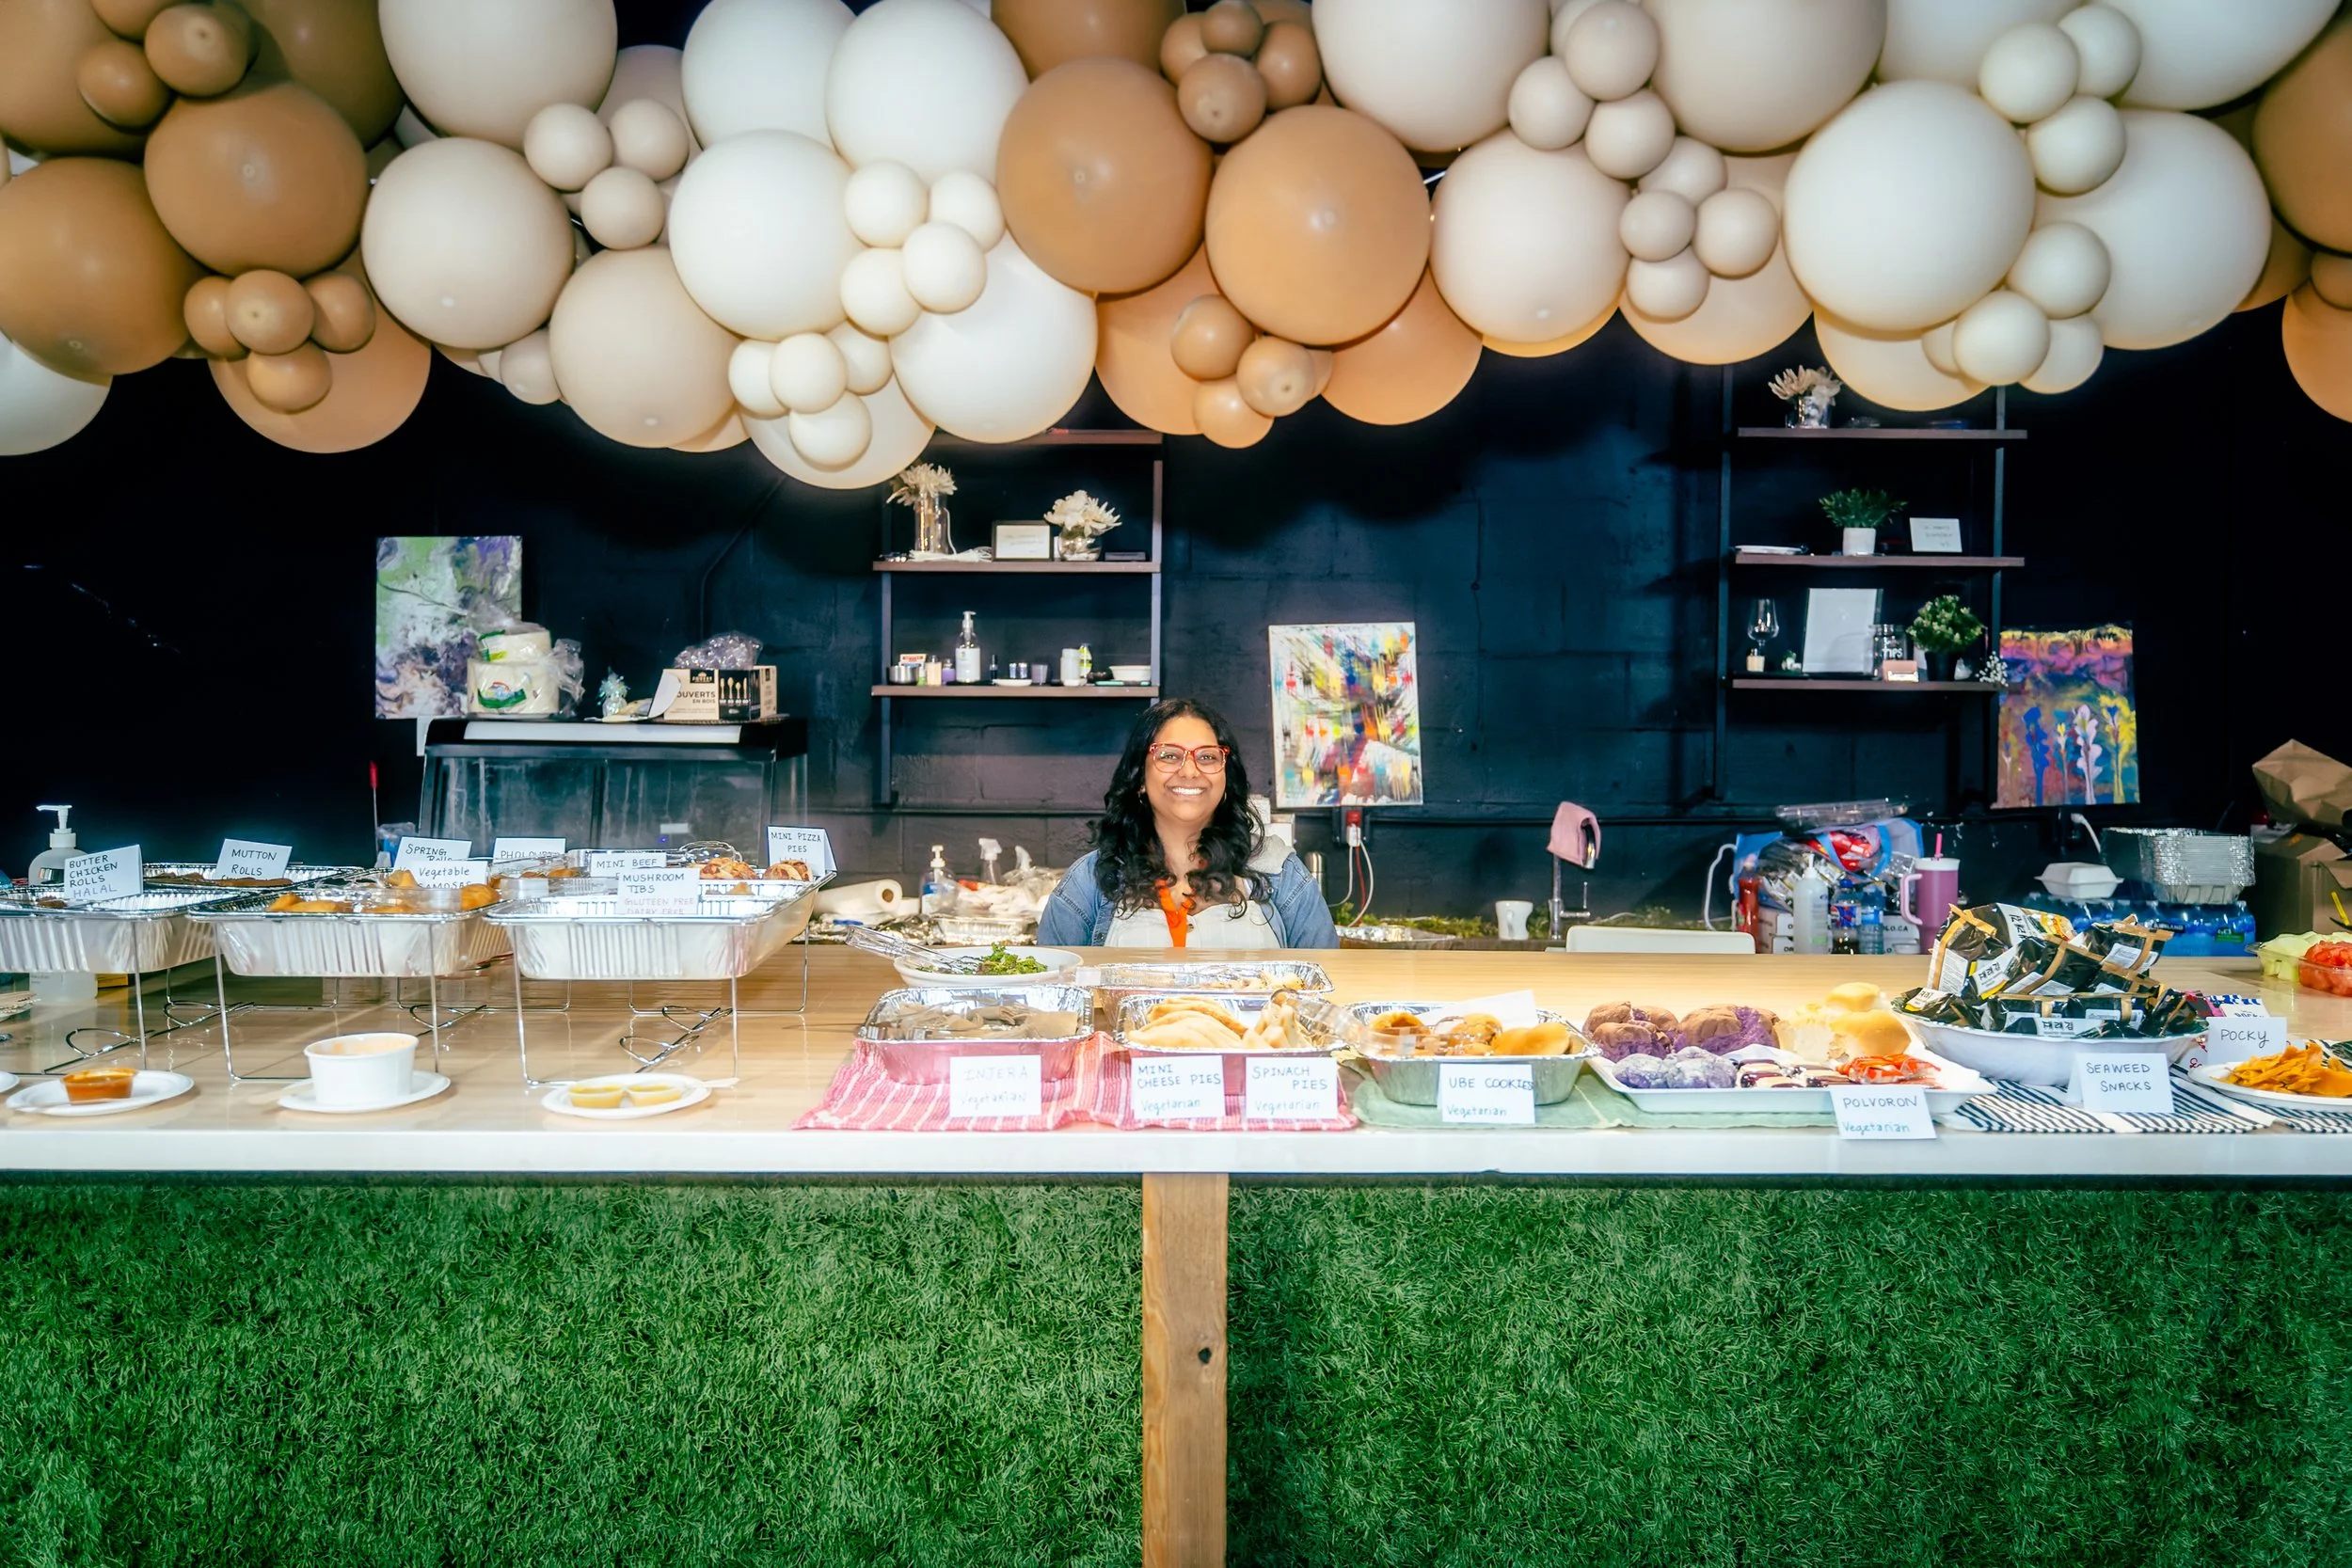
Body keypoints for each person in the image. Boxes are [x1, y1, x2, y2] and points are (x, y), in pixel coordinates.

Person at [1037, 698, 1338, 949]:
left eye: (1207, 757)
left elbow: (1329, 986)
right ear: (1139, 778)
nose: (1190, 771)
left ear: (1225, 778)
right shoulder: (1089, 882)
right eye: (1169, 756)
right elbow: (1051, 998)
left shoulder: (1279, 873)